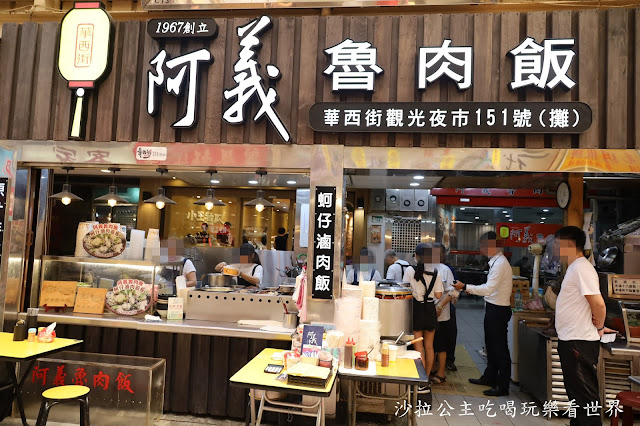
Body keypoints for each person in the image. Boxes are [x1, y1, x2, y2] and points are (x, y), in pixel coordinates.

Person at [554, 226, 608, 425]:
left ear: (568, 245)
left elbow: (598, 304)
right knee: (577, 397)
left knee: (585, 399)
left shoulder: (581, 268)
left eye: (557, 243)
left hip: (579, 342)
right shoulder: (575, 268)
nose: (554, 248)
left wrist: (600, 326)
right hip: (572, 339)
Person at [454, 231, 513, 396]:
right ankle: (490, 377)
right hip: (493, 307)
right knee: (491, 346)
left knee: (499, 348)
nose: (482, 249)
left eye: (485, 246)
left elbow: (488, 289)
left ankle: (503, 386)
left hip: (498, 310)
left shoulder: (500, 264)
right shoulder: (495, 262)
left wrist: (465, 287)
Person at [403, 243, 443, 387]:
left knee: (418, 347)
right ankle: (426, 378)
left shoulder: (409, 270)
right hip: (430, 309)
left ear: (417, 256)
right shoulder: (436, 271)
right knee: (429, 346)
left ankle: (420, 380)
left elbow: (405, 289)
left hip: (417, 309)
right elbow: (439, 294)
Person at [430, 243, 457, 384]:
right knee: (431, 343)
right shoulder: (426, 267)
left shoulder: (445, 270)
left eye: (437, 253)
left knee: (441, 344)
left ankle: (441, 373)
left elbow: (453, 291)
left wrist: (440, 305)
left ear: (442, 255)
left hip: (442, 313)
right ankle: (432, 368)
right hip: (428, 313)